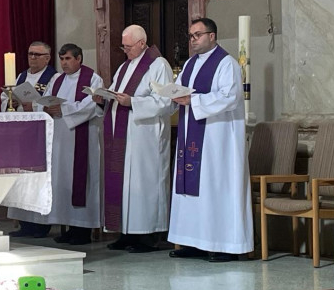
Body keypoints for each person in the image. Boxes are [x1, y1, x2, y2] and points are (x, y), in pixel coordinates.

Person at [168, 18, 252, 262]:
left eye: (198, 35)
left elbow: (230, 97)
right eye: (191, 35)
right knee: (193, 190)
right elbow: (179, 90)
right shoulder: (190, 64)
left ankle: (225, 246)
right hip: (191, 135)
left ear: (212, 36)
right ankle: (195, 242)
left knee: (215, 187)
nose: (193, 40)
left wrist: (193, 100)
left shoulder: (227, 63)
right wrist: (171, 95)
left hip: (218, 140)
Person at [7, 44, 103, 244]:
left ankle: (82, 231)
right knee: (63, 183)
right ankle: (68, 227)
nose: (64, 63)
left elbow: (94, 104)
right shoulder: (58, 80)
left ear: (79, 58)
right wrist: (38, 107)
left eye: (68, 59)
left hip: (81, 138)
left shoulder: (92, 78)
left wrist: (64, 110)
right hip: (59, 140)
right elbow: (44, 101)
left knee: (81, 182)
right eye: (62, 59)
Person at [93, 24, 173, 253]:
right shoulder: (124, 67)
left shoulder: (159, 65)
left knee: (144, 184)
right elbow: (116, 93)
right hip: (123, 136)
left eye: (128, 46)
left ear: (141, 43)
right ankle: (126, 233)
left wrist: (133, 102)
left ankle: (148, 236)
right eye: (123, 46)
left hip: (145, 138)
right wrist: (103, 97)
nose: (125, 50)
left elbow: (165, 101)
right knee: (126, 187)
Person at [0, 41, 57, 112]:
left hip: (40, 118)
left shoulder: (54, 77)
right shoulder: (22, 76)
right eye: (30, 54)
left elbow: (53, 103)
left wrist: (34, 106)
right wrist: (10, 103)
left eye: (37, 54)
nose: (32, 57)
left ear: (47, 58)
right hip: (20, 117)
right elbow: (5, 97)